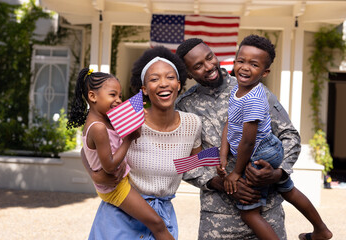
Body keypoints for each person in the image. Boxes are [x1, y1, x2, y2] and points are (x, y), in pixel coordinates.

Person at [175, 37, 300, 239]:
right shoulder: (183, 108)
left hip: (266, 213)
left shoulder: (252, 87)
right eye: (198, 66)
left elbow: (289, 136)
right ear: (189, 73)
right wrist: (218, 182)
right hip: (218, 221)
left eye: (209, 58)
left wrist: (277, 173)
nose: (208, 66)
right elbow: (183, 162)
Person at [216, 35, 332, 240]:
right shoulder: (237, 89)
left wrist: (236, 172)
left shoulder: (253, 97)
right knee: (288, 189)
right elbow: (230, 123)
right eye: (241, 61)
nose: (244, 67)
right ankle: (321, 230)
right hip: (263, 149)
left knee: (249, 212)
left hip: (260, 152)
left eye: (254, 64)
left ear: (265, 71)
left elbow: (248, 141)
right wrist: (223, 155)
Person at [81, 46, 203, 239]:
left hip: (162, 216)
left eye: (170, 77)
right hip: (122, 216)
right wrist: (95, 175)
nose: (163, 83)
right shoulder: (129, 116)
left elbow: (191, 165)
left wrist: (224, 170)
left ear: (179, 84)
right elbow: (88, 146)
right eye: (154, 79)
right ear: (144, 89)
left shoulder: (192, 123)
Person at [67, 68, 175, 239]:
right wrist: (128, 138)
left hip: (114, 185)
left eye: (119, 96)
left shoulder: (101, 120)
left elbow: (84, 151)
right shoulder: (99, 128)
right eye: (112, 95)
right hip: (116, 187)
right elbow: (110, 166)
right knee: (157, 224)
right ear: (93, 96)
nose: (118, 100)